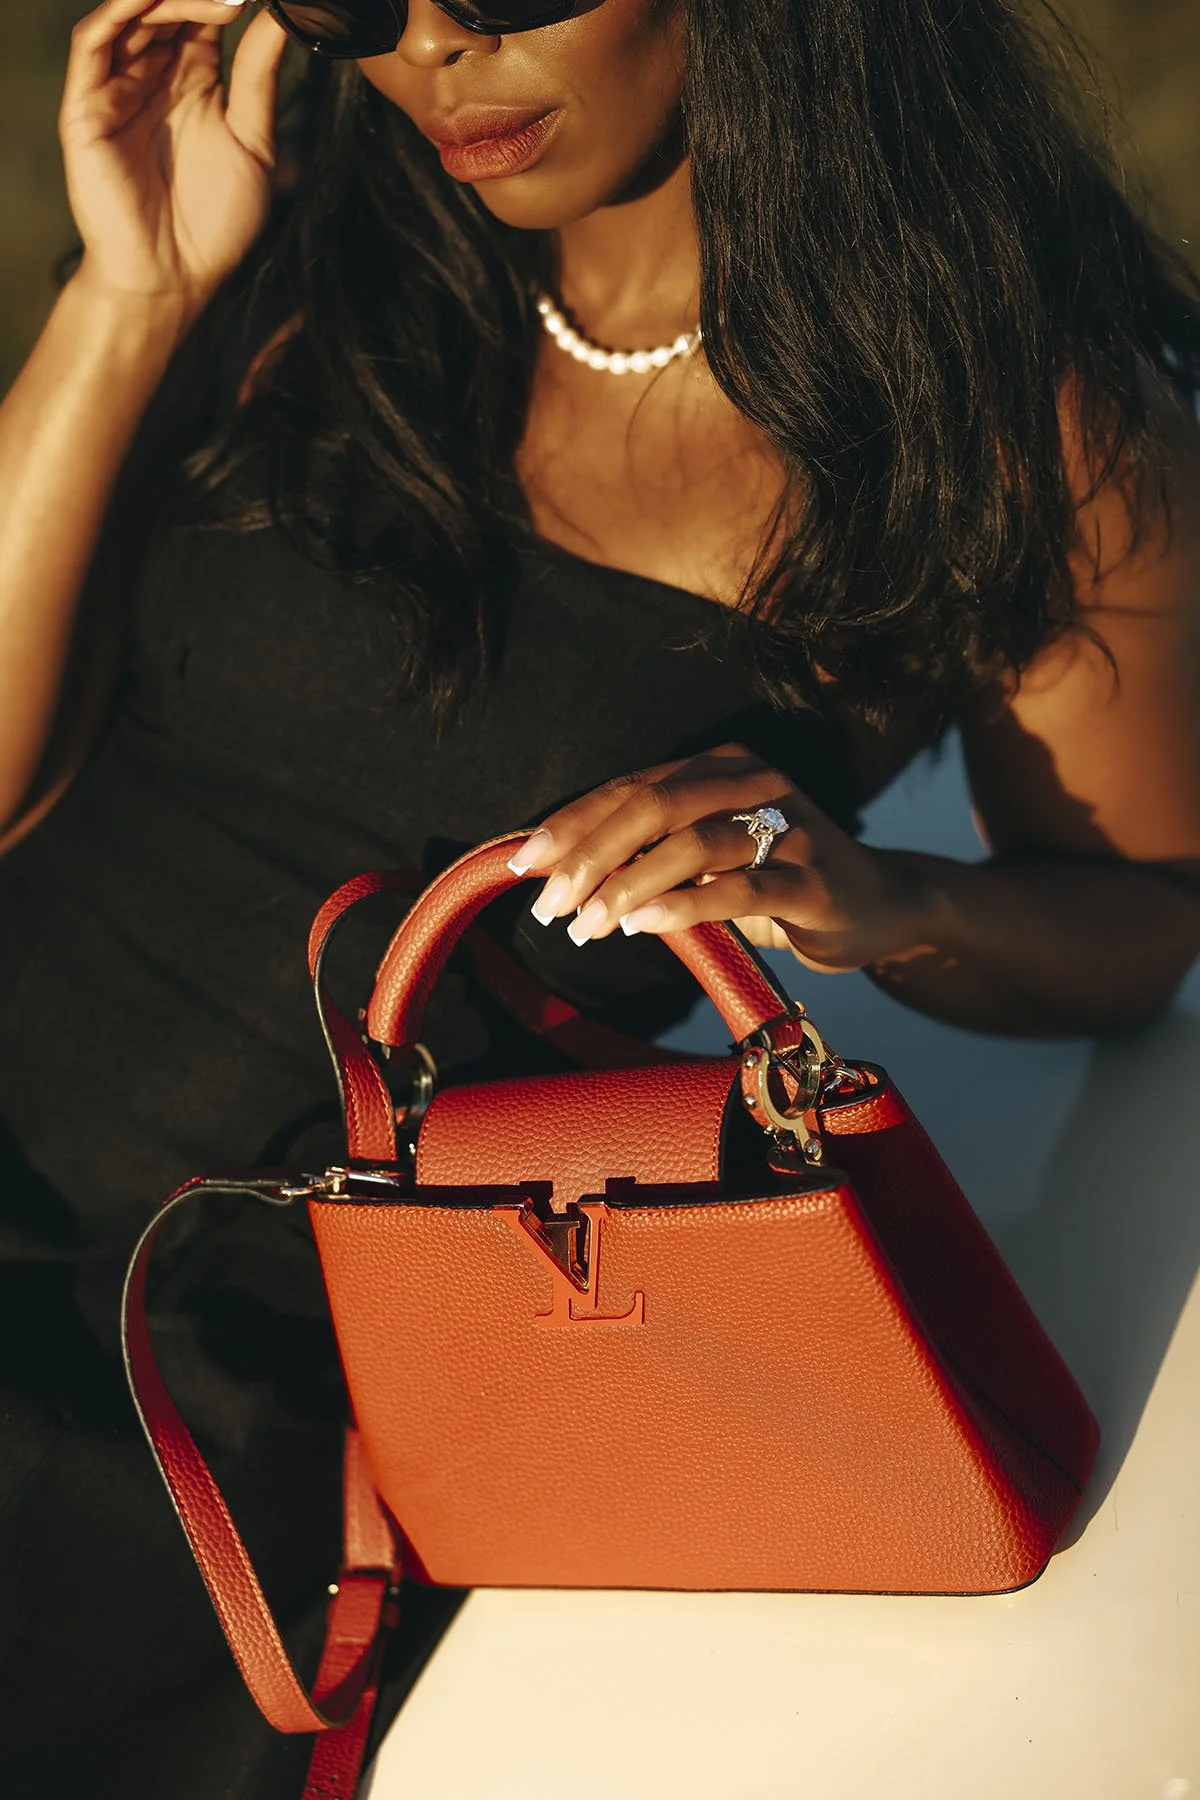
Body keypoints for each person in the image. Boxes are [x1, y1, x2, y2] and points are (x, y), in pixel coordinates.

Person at [1, 0, 1198, 1793]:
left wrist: (864, 899)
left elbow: (1140, 922)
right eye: (358, 6)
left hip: (213, 1363)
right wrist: (134, 296)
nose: (429, 59)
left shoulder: (1008, 405)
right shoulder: (315, 246)